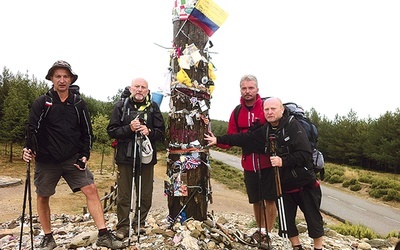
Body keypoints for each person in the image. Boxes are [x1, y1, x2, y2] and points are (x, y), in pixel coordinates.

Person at [22, 60, 125, 250]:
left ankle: (103, 234)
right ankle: (48, 237)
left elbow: (87, 132)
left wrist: (84, 154)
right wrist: (28, 148)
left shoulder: (78, 103)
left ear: (71, 79)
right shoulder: (43, 102)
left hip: (72, 159)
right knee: (43, 196)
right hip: (46, 159)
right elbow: (31, 128)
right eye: (58, 76)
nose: (62, 80)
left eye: (65, 76)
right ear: (52, 79)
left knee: (91, 189)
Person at [205, 97, 324, 250]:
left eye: (273, 109)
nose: (269, 112)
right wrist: (218, 139)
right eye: (266, 109)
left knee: (312, 217)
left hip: (305, 182)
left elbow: (305, 153)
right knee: (286, 220)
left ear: (282, 110)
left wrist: (283, 161)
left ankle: (318, 248)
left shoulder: (294, 126)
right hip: (284, 183)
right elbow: (245, 138)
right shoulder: (267, 129)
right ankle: (296, 246)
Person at [216, 74, 277, 246]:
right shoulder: (237, 112)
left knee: (269, 199)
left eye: (251, 88)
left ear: (257, 89)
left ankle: (267, 234)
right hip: (249, 163)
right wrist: (215, 140)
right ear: (240, 90)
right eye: (244, 88)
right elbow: (230, 140)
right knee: (256, 199)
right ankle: (260, 231)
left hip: (268, 162)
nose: (248, 91)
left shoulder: (266, 107)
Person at [107, 78, 165, 240]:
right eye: (137, 87)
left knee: (145, 193)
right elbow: (112, 131)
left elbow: (161, 133)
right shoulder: (121, 106)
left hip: (146, 158)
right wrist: (129, 128)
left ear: (147, 90)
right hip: (125, 157)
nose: (139, 90)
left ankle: (139, 223)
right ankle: (123, 226)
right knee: (124, 194)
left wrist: (150, 132)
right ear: (131, 89)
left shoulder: (153, 107)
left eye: (143, 87)